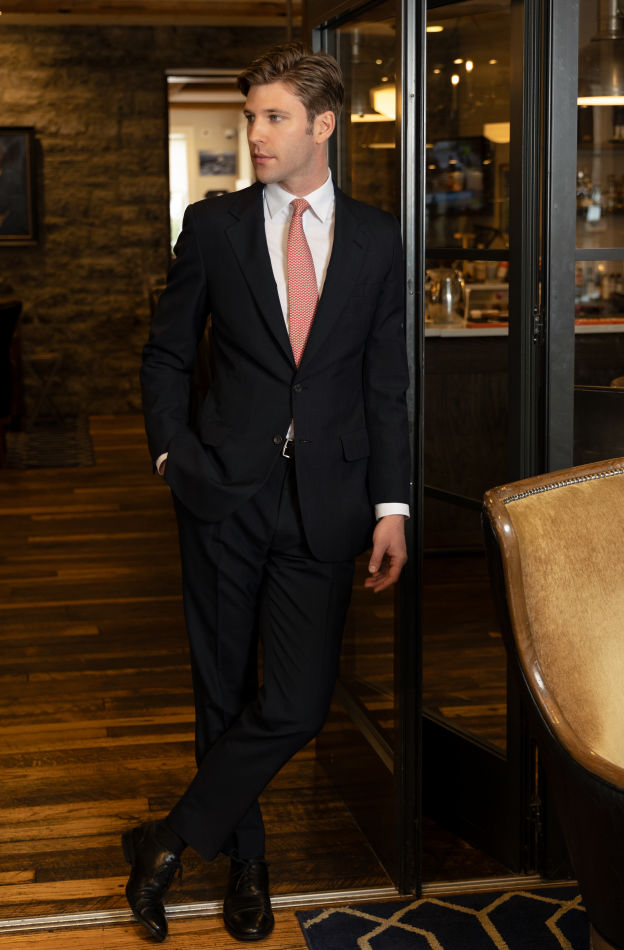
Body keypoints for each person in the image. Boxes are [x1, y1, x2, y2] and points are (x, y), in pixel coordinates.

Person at [125, 42, 410, 944]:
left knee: (294, 702)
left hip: (327, 503)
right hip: (220, 493)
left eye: (273, 116)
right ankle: (248, 865)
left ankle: (170, 840)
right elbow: (167, 353)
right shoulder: (212, 227)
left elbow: (385, 383)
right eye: (250, 116)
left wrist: (392, 505)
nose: (255, 132)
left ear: (323, 125)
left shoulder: (376, 238)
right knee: (222, 689)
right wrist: (171, 456)